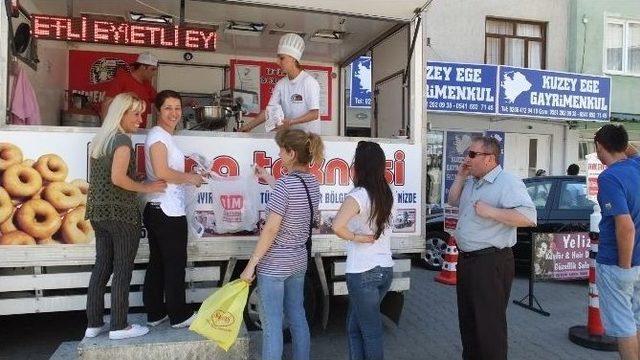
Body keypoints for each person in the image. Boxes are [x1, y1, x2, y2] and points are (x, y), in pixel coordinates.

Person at [84, 93, 167, 340]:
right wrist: (148, 187)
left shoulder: (103, 139)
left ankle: (94, 323)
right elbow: (118, 179)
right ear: (121, 114)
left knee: (101, 267)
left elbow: (110, 178)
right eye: (136, 114)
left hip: (99, 212)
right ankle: (119, 326)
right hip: (120, 214)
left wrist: (136, 178)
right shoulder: (122, 140)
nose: (140, 119)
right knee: (122, 270)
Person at [447, 136, 537, 360]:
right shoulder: (472, 181)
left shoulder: (507, 182)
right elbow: (452, 201)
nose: (467, 159)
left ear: (490, 159)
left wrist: (492, 212)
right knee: (468, 322)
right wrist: (460, 177)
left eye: (472, 154)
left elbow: (529, 217)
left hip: (490, 262)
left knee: (489, 328)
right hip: (467, 261)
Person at [240, 129, 324, 360]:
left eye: (281, 149)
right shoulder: (312, 183)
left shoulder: (285, 186)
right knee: (298, 316)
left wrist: (251, 265)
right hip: (298, 261)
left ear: (291, 153)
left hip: (275, 265)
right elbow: (293, 198)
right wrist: (268, 178)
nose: (278, 153)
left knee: (272, 325)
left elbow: (271, 229)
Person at [143, 90, 205, 329]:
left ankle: (155, 312)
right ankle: (179, 315)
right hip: (167, 210)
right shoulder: (158, 136)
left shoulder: (163, 136)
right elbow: (162, 172)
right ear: (158, 111)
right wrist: (191, 178)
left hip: (160, 208)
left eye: (177, 108)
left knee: (158, 263)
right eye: (168, 108)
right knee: (174, 263)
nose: (174, 113)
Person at [331, 141, 395, 360]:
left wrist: (358, 237)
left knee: (370, 333)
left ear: (359, 166)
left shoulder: (358, 195)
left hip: (363, 271)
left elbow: (337, 226)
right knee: (354, 328)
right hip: (385, 269)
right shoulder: (387, 193)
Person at [593, 124, 640, 360]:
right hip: (639, 262)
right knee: (636, 321)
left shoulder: (609, 177)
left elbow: (626, 226)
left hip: (619, 263)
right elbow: (631, 151)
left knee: (623, 327)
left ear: (601, 147)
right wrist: (619, 140)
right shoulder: (637, 165)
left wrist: (624, 267)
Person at [239, 34, 321, 135]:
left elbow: (314, 114)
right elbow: (269, 111)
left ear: (293, 59)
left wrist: (291, 122)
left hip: (309, 139)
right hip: (291, 138)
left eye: (282, 58)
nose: (277, 62)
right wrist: (248, 127)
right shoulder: (281, 84)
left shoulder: (309, 82)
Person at [103, 52, 158, 128]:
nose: (154, 73)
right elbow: (107, 103)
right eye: (152, 69)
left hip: (139, 132)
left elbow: (160, 100)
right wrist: (106, 128)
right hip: (121, 131)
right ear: (143, 67)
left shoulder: (147, 84)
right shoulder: (122, 79)